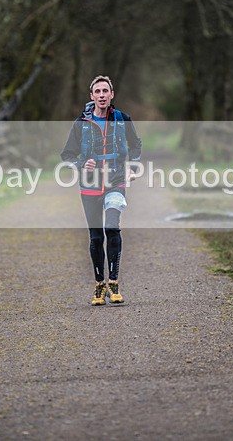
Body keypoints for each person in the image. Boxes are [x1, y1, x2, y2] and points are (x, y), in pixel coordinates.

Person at [61, 75, 142, 306]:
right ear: (92, 96)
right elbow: (66, 155)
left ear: (112, 94)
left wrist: (133, 167)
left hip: (116, 182)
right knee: (96, 237)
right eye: (98, 92)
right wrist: (80, 164)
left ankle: (114, 282)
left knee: (112, 228)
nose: (102, 95)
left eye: (105, 91)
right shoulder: (81, 124)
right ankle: (99, 285)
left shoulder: (122, 119)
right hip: (90, 186)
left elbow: (136, 145)